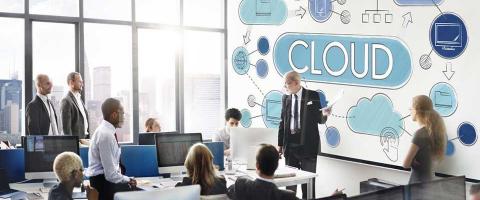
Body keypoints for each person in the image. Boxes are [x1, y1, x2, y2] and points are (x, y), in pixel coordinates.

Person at [278, 71, 330, 199]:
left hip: (308, 146)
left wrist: (325, 114)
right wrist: (280, 144)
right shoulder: (285, 97)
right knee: (290, 186)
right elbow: (282, 121)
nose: (285, 87)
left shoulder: (312, 95)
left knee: (308, 185)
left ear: (296, 82)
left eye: (287, 84)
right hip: (290, 147)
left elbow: (320, 120)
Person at [85, 98, 137, 200]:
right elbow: (110, 175)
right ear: (114, 115)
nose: (124, 117)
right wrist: (128, 179)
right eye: (122, 113)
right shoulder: (106, 135)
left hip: (106, 183)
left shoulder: (106, 132)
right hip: (103, 185)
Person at [227, 144, 297, 200]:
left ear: (257, 166)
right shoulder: (288, 196)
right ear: (276, 166)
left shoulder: (241, 185)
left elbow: (228, 192)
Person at [403, 95, 446, 184]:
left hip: (417, 186)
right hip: (430, 184)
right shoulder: (433, 131)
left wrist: (412, 160)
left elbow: (405, 164)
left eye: (411, 108)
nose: (410, 111)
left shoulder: (419, 134)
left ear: (416, 110)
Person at [61, 72, 90, 139]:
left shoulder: (79, 98)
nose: (82, 84)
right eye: (80, 82)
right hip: (75, 142)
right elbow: (66, 129)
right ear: (72, 83)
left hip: (84, 139)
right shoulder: (66, 100)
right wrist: (71, 145)